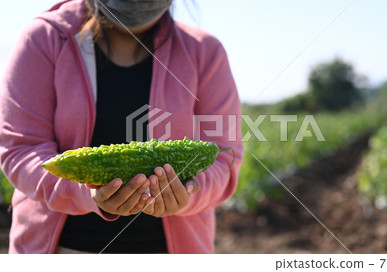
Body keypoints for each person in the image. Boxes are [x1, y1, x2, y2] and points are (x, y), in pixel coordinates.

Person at [0, 0, 242, 254]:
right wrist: (85, 194)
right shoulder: (45, 38)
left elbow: (225, 154)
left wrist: (191, 192)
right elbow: (21, 148)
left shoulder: (205, 52)